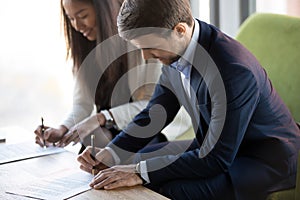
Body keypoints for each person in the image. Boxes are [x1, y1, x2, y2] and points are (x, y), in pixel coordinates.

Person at [77, 0, 300, 199]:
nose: (146, 57)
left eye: (150, 47)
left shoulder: (232, 71)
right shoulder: (175, 46)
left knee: (151, 188)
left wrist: (140, 173)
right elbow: (155, 114)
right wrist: (112, 152)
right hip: (212, 147)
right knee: (128, 163)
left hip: (257, 161)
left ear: (180, 30)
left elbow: (217, 158)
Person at [34, 0, 191, 152]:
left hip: (149, 131)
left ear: (104, 10)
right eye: (71, 18)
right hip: (108, 132)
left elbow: (152, 105)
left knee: (100, 143)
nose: (77, 26)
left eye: (83, 16)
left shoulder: (143, 43)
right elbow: (83, 104)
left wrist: (103, 117)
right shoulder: (85, 50)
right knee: (94, 142)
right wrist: (63, 128)